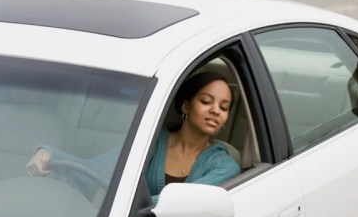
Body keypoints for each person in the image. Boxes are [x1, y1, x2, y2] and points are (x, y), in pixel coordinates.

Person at [27, 71, 241, 201]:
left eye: (224, 107)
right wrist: (50, 155)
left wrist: (129, 211)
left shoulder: (225, 166)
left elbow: (182, 203)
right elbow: (97, 169)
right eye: (206, 101)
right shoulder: (150, 141)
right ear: (185, 105)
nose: (215, 110)